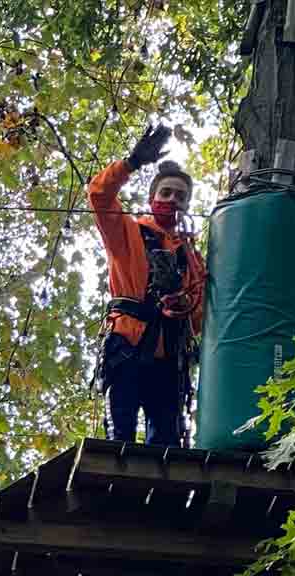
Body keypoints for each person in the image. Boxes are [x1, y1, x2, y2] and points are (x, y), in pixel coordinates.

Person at [89, 123, 206, 446]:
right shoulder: (128, 233)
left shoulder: (191, 258)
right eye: (165, 193)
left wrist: (181, 303)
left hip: (169, 356)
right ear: (152, 197)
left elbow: (199, 318)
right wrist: (131, 163)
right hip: (128, 345)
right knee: (120, 436)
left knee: (166, 443)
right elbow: (99, 196)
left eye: (180, 196)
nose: (172, 200)